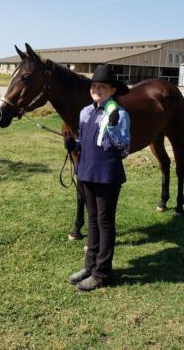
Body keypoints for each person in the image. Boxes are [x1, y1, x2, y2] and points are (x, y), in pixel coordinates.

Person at [65, 64, 130, 291]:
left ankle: (102, 272)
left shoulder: (119, 114)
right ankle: (89, 266)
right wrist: (73, 144)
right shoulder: (86, 112)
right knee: (92, 221)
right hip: (87, 172)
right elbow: (85, 142)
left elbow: (124, 149)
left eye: (103, 86)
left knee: (104, 222)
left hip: (107, 175)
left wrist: (112, 129)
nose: (97, 89)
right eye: (94, 86)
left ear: (113, 90)